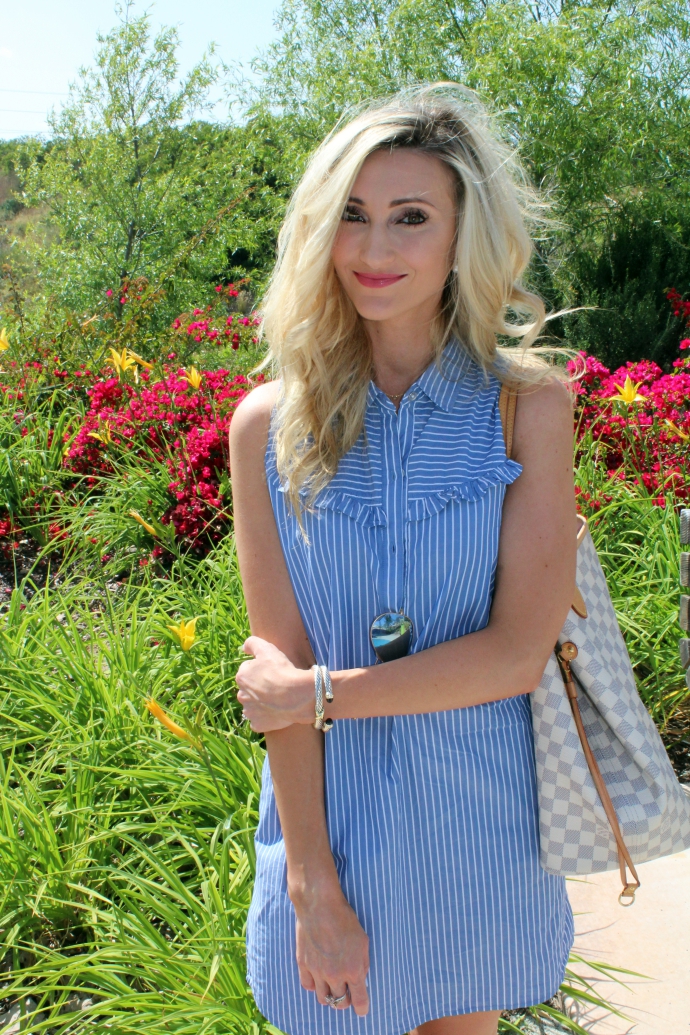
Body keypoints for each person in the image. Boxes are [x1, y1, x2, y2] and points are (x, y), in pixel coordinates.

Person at [229, 84, 577, 1035]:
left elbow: (517, 653)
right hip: (328, 833)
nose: (373, 248)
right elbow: (277, 669)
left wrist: (317, 694)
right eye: (352, 214)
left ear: (463, 231)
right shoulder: (266, 428)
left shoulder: (526, 409)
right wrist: (311, 886)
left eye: (410, 217)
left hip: (481, 832)